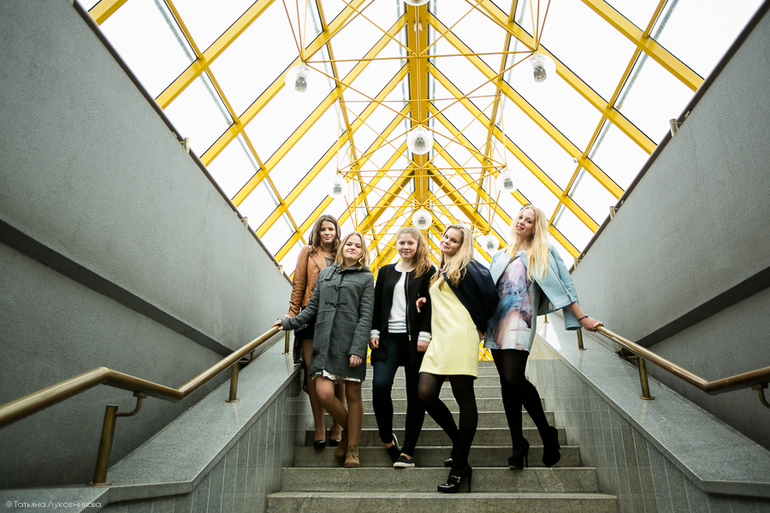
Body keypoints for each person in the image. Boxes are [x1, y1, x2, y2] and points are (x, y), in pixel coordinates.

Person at [486, 205, 602, 470]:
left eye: (529, 220)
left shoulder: (542, 252)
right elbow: (488, 292)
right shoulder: (500, 254)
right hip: (496, 322)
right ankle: (518, 444)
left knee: (513, 377)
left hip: (520, 320)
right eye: (520, 217)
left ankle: (546, 432)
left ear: (535, 227)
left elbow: (562, 287)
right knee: (506, 383)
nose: (522, 222)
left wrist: (582, 317)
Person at [275, 231, 374, 468]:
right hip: (324, 341)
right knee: (324, 393)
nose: (352, 247)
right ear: (342, 247)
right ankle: (351, 431)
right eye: (349, 243)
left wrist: (358, 349)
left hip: (351, 345)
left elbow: (366, 316)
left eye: (357, 245)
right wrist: (288, 323)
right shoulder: (325, 274)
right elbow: (312, 309)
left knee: (353, 396)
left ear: (362, 252)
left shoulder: (366, 277)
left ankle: (352, 448)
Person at [417, 224, 499, 493]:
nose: (446, 241)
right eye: (445, 237)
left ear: (462, 245)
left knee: (464, 396)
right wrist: (426, 301)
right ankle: (459, 443)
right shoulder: (441, 269)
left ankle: (460, 466)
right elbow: (448, 299)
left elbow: (491, 296)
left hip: (461, 335)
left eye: (453, 240)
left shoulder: (468, 266)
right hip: (440, 339)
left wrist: (481, 324)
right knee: (425, 393)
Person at [369, 227, 436, 468]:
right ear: (396, 244)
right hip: (387, 339)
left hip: (415, 342)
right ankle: (388, 439)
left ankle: (407, 451)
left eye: (410, 243)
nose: (405, 247)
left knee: (415, 394)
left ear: (418, 245)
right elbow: (377, 304)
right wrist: (374, 331)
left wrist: (425, 334)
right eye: (401, 242)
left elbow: (433, 305)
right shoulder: (385, 271)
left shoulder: (428, 272)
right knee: (380, 386)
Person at [285, 215, 345, 450]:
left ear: (337, 231)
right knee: (313, 371)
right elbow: (299, 283)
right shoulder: (308, 252)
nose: (327, 232)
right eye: (323, 229)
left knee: (338, 372)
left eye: (331, 228)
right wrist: (292, 313)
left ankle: (338, 426)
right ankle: (320, 426)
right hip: (311, 316)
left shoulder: (344, 253)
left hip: (338, 318)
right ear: (317, 232)